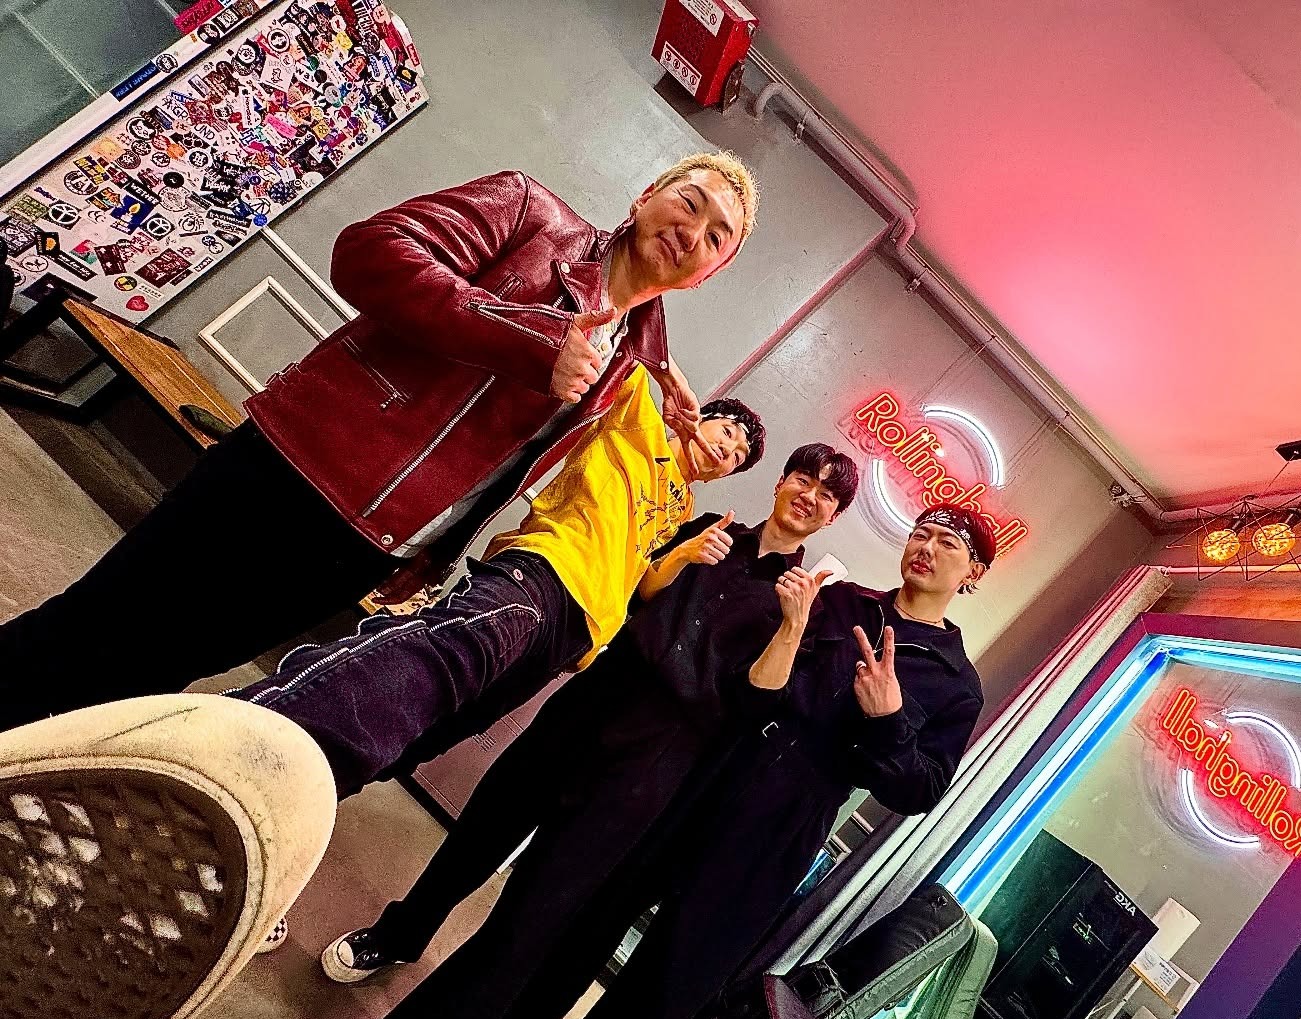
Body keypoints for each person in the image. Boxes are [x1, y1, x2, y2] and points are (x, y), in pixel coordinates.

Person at [0, 152, 757, 731]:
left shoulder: (635, 362)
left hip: (373, 546)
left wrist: (437, 551)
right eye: (689, 203)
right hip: (298, 465)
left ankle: (28, 767)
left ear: (708, 275)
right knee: (98, 621)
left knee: (168, 671)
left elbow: (515, 460)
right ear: (645, 197)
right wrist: (532, 338)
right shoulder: (531, 212)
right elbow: (368, 252)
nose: (692, 232)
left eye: (716, 237)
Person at [332, 504, 995, 1019]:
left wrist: (888, 722)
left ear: (973, 574)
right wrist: (787, 626)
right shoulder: (840, 601)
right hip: (701, 776)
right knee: (561, 926)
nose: (927, 548)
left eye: (949, 544)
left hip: (779, 828)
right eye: (922, 533)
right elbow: (752, 686)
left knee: (660, 996)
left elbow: (920, 788)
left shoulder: (955, 684)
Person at [232, 383, 766, 799]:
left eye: (737, 458)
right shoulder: (638, 426)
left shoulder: (682, 508)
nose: (726, 451)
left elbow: (643, 582)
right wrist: (672, 388)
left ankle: (299, 803)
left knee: (437, 732)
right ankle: (241, 737)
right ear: (699, 417)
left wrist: (684, 554)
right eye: (727, 433)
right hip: (545, 573)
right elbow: (635, 349)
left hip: (577, 634)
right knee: (431, 662)